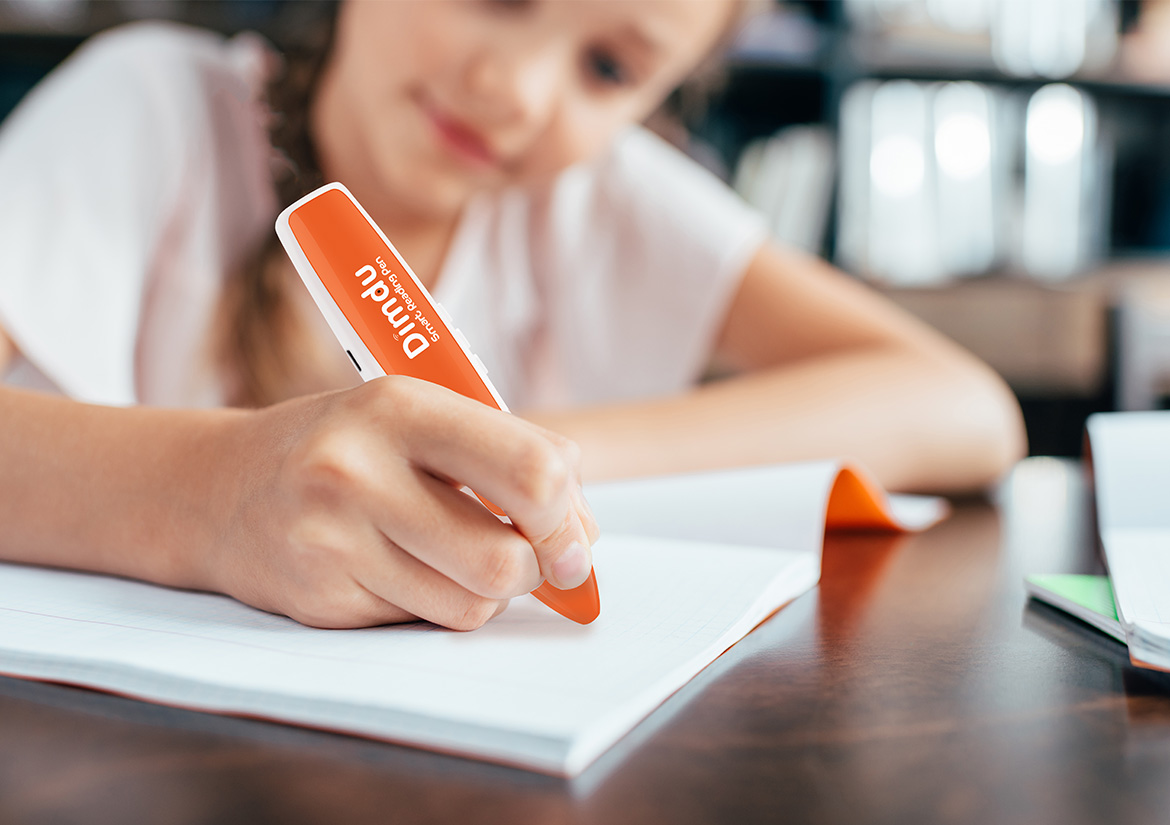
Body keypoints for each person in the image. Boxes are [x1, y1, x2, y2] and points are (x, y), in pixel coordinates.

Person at [0, 0, 1025, 631]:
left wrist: (529, 467)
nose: (514, 90)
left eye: (609, 69)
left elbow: (965, 406)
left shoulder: (602, 194)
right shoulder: (147, 108)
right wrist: (215, 495)